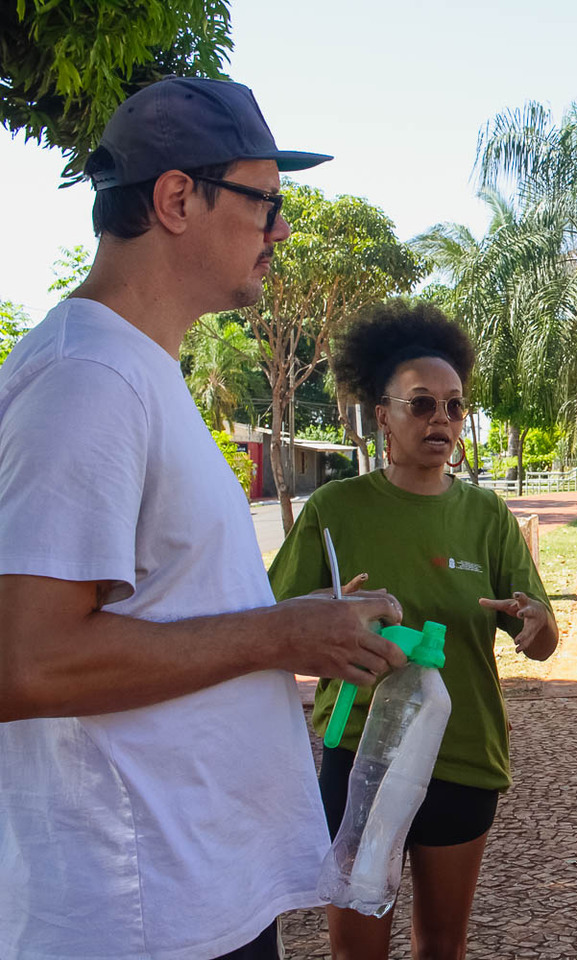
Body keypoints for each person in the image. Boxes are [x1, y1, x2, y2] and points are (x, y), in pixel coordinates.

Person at [0, 78, 408, 960]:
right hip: (133, 913)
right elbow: (25, 664)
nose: (282, 230)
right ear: (178, 198)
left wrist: (312, 632)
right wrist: (280, 637)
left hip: (184, 895)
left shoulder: (133, 371)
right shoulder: (90, 381)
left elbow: (164, 611)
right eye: (267, 202)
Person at [268, 298, 558, 960]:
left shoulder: (487, 515)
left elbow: (541, 644)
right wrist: (325, 608)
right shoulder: (337, 508)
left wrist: (534, 621)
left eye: (455, 406)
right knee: (358, 949)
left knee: (441, 946)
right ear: (383, 417)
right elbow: (273, 623)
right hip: (362, 756)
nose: (443, 420)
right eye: (422, 404)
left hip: (464, 754)